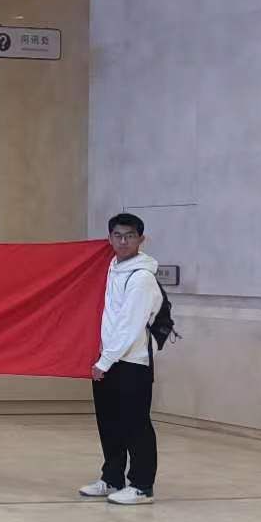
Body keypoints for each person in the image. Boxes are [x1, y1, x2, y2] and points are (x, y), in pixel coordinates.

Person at [80, 213, 164, 506]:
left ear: (142, 239)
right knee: (110, 424)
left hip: (132, 363)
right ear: (109, 238)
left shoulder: (141, 278)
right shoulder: (111, 269)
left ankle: (141, 486)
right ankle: (112, 478)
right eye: (118, 235)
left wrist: (104, 362)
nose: (123, 241)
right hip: (108, 359)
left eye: (130, 236)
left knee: (135, 424)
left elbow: (130, 325)